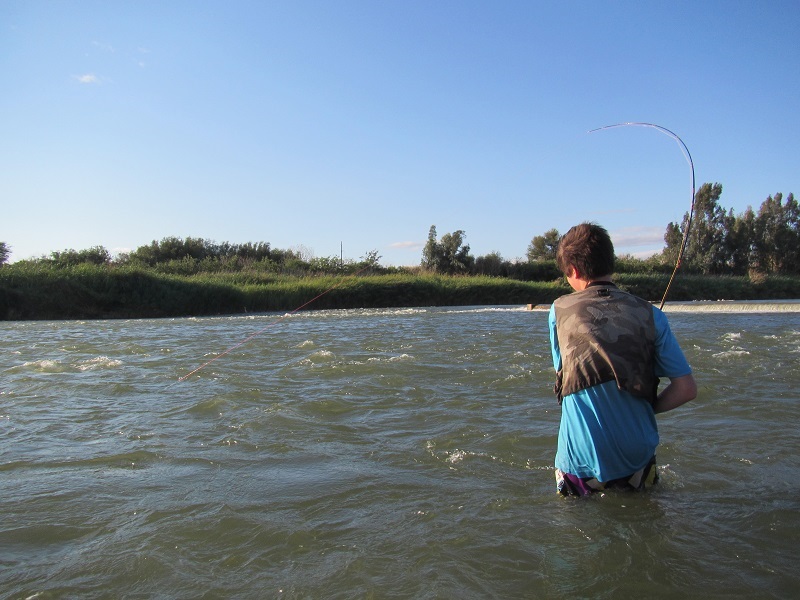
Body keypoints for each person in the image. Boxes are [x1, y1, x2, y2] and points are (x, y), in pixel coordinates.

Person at [549, 223, 697, 496]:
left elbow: (565, 374)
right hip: (637, 461)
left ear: (574, 271)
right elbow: (686, 389)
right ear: (610, 263)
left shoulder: (559, 311)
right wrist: (645, 409)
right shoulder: (652, 315)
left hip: (579, 462)